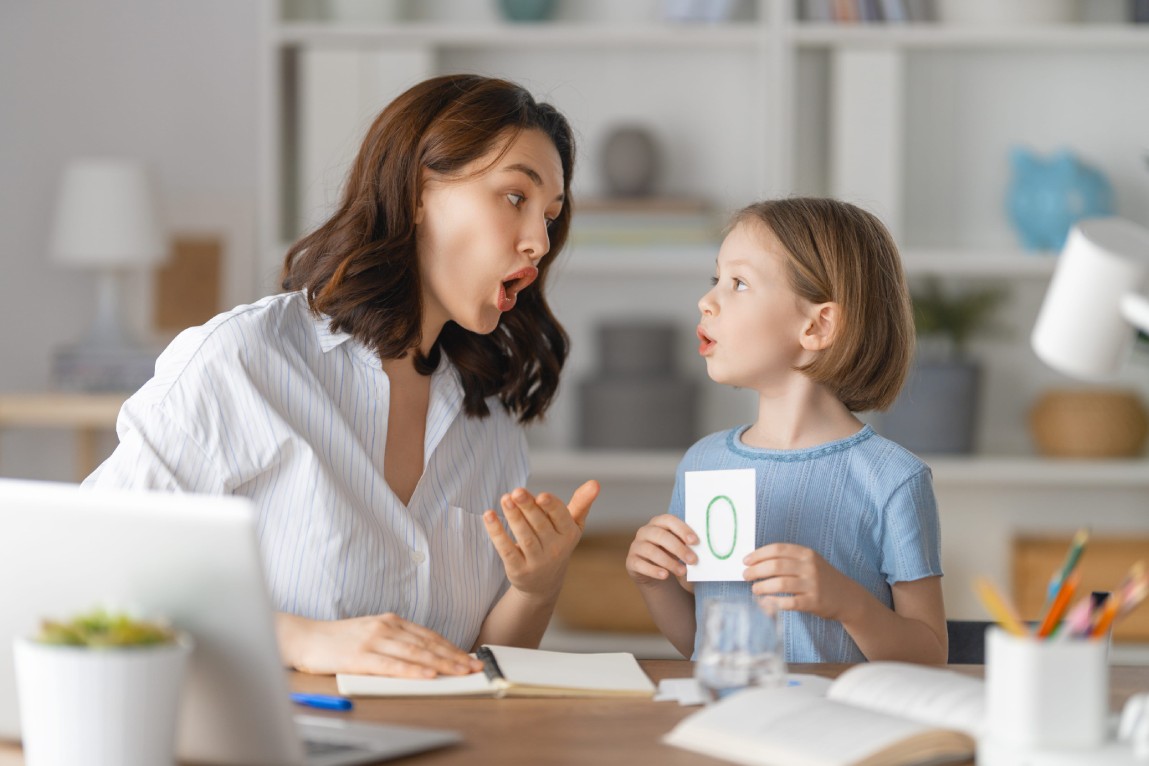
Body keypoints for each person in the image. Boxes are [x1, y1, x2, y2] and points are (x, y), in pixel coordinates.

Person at [84, 74, 600, 678]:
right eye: (516, 197)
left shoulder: (490, 422)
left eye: (551, 216)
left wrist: (535, 588)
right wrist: (299, 640)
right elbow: (97, 559)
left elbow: (480, 666)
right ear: (415, 192)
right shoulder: (246, 360)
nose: (539, 241)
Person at [625, 197, 947, 664]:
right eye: (715, 279)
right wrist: (653, 584)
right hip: (731, 725)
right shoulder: (703, 463)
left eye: (737, 283)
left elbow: (931, 655)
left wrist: (848, 603)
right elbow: (703, 645)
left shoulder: (893, 479)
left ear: (817, 326)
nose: (706, 300)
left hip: (836, 730)